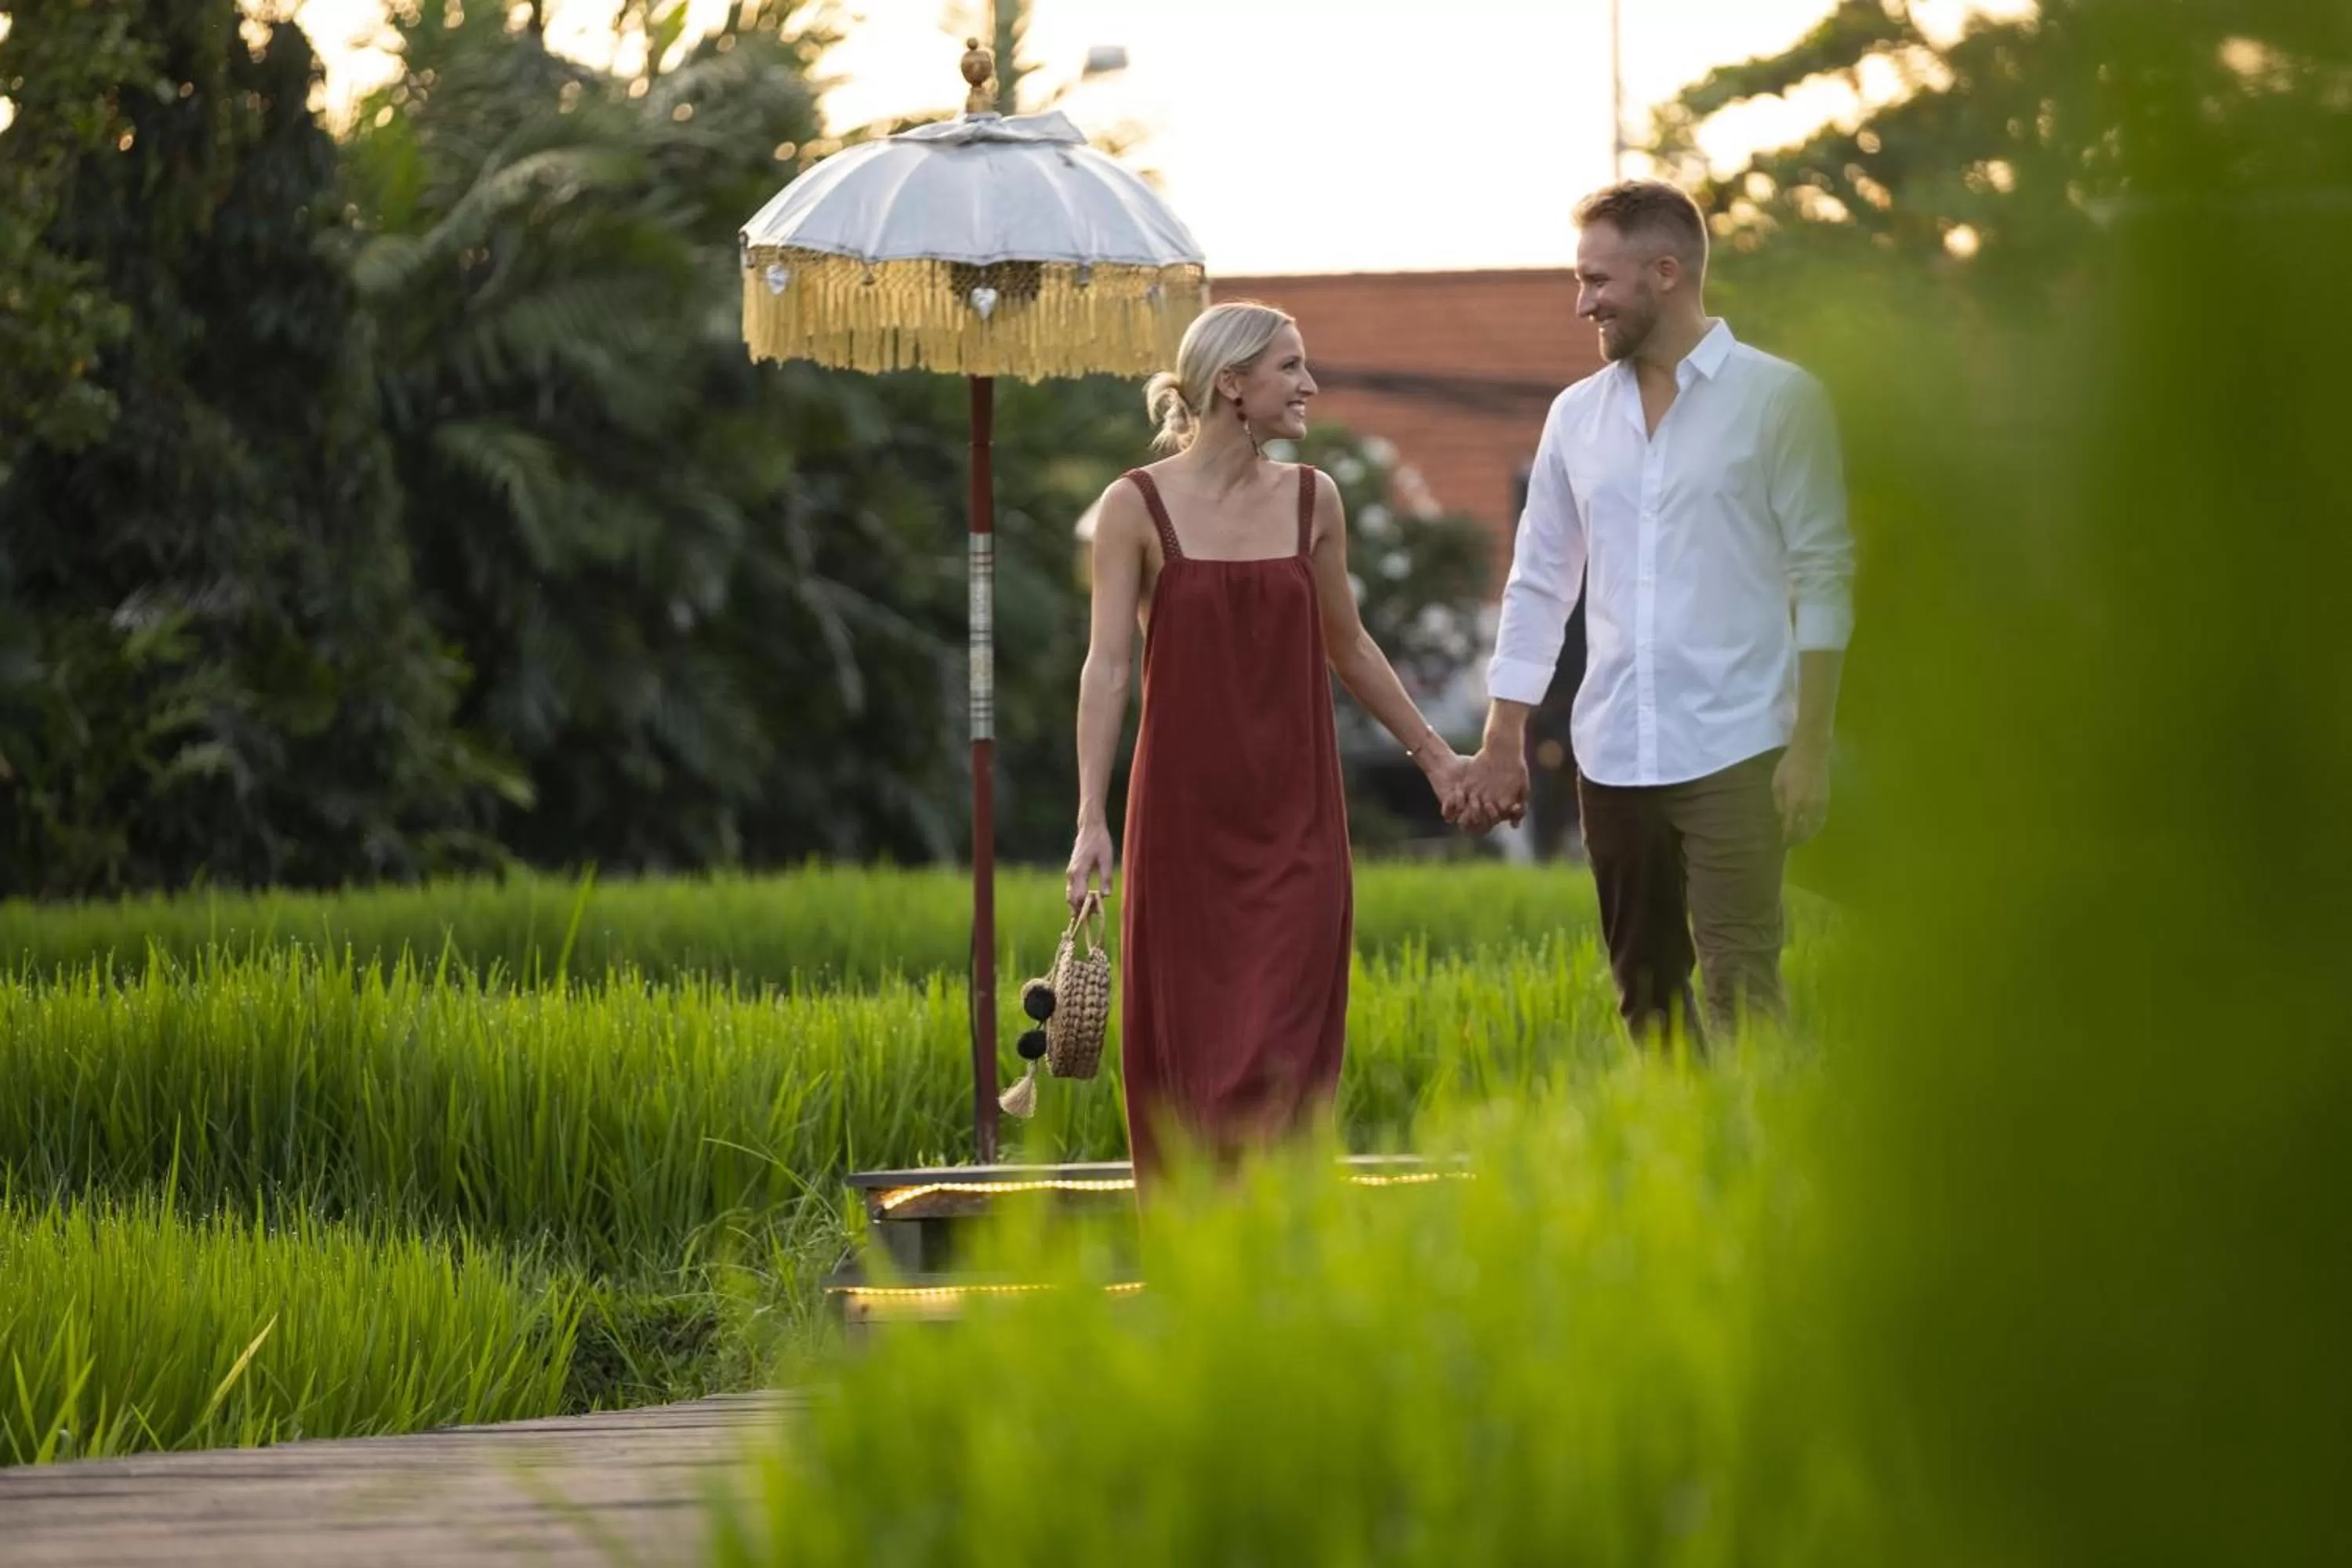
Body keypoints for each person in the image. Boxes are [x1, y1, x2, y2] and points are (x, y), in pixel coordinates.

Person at [1067, 301, 1471, 1193]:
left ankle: (1275, 1269)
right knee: (1191, 1066)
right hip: (1180, 829)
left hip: (1297, 827)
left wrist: (1439, 758)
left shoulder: (1313, 498)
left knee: (1281, 1063)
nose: (1310, 384)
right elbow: (1106, 668)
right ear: (1231, 383)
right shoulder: (1133, 505)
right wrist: (1091, 819)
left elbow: (1350, 645)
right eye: (1291, 366)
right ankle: (1197, 1284)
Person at [1457, 180, 1857, 1047]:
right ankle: (1686, 1166)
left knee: (1742, 979)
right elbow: (1538, 582)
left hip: (1740, 745)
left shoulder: (1780, 401)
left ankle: (1760, 1163)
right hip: (1613, 753)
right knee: (1645, 993)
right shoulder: (1575, 417)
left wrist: (1811, 745)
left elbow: (1825, 576)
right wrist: (1502, 736)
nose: (1580, 302)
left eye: (1597, 281)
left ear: (1664, 273)